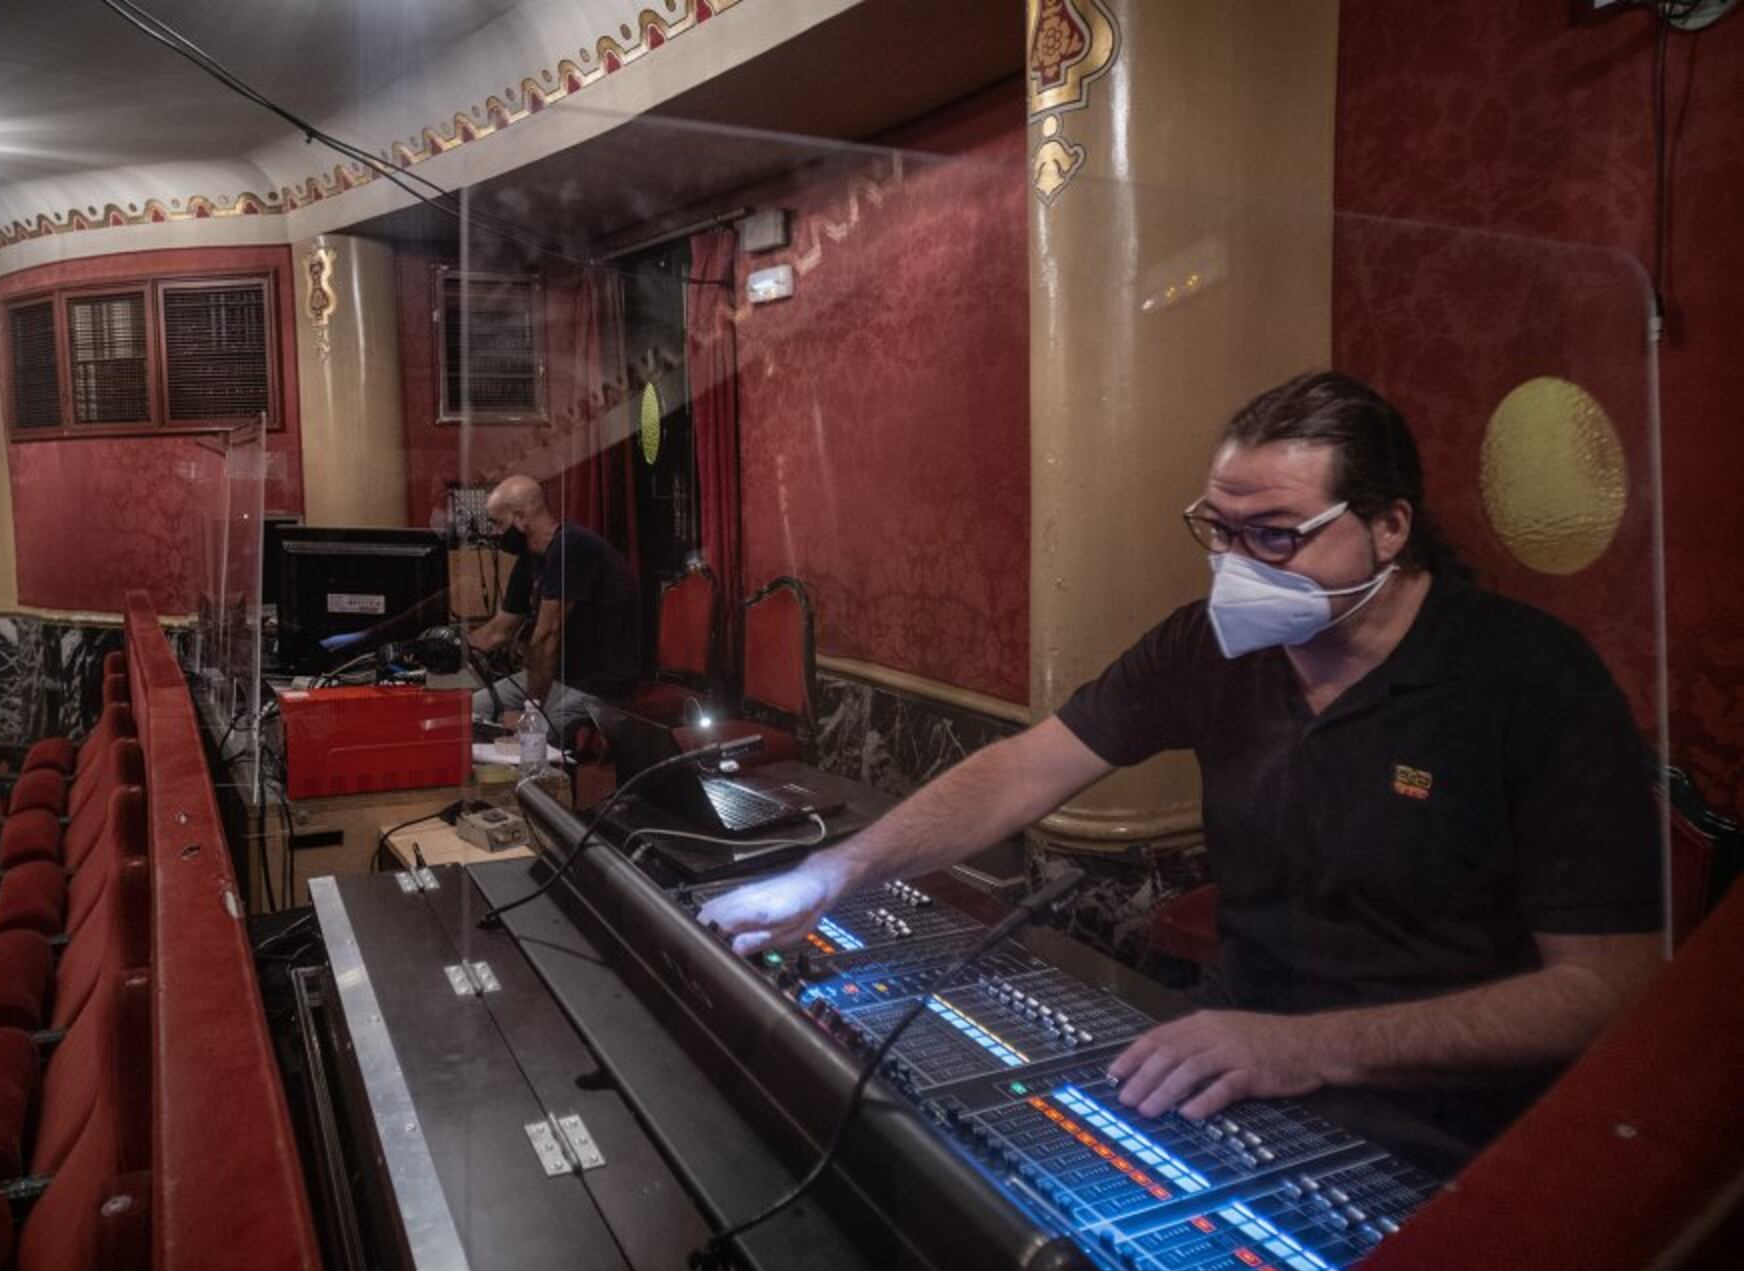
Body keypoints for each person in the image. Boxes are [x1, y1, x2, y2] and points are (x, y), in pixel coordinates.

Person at [699, 371, 1663, 1147]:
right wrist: (833, 874)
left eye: (1277, 536)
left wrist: (1306, 1049)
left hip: (1445, 1125)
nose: (1240, 567)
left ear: (1390, 527)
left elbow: (1604, 992)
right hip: (1228, 1061)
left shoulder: (1533, 680)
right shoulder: (1207, 644)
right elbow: (1026, 771)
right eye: (1222, 532)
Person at [467, 475, 641, 739]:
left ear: (521, 518)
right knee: (468, 712)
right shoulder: (529, 558)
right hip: (557, 679)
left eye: (497, 523)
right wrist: (449, 652)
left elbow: (548, 635)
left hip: (596, 684)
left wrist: (532, 713)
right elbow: (499, 631)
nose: (493, 533)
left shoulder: (571, 547)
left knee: (532, 738)